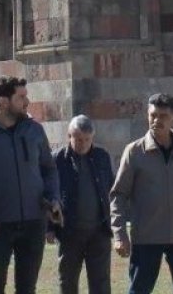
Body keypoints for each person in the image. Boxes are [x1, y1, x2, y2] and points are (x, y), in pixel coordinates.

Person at [0, 76, 61, 294]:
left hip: (33, 222)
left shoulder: (34, 130)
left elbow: (49, 169)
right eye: (21, 97)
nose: (27, 102)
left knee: (27, 288)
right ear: (3, 101)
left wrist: (54, 198)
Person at [110, 93, 173, 294]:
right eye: (152, 115)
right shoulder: (134, 152)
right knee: (138, 290)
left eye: (163, 115)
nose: (156, 120)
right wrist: (119, 234)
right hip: (147, 236)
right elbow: (119, 194)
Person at [52, 115, 113, 294]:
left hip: (99, 231)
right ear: (69, 136)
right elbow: (49, 194)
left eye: (87, 139)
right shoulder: (57, 159)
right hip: (69, 232)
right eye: (78, 139)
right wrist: (50, 227)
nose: (83, 144)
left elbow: (110, 188)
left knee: (101, 283)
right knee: (68, 281)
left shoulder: (102, 157)